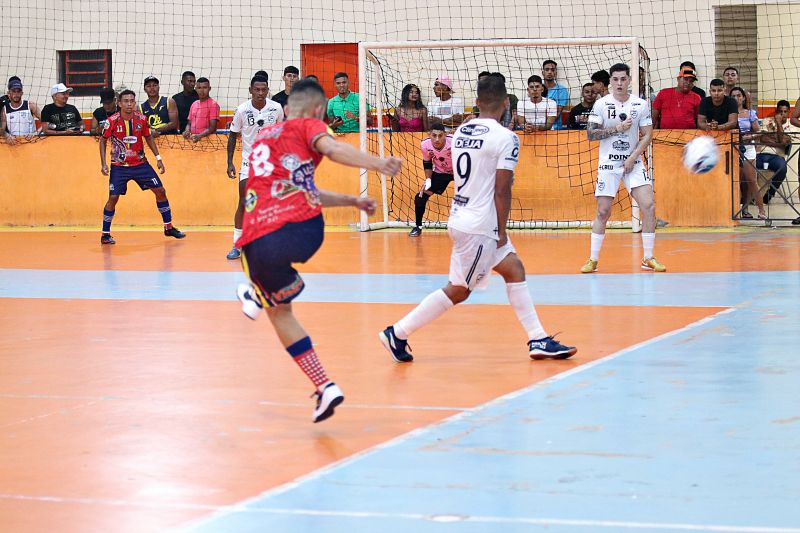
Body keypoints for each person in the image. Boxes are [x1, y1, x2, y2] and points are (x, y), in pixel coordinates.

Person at [234, 79, 401, 422]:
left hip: (261, 238)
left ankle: (254, 291)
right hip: (307, 231)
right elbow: (325, 161)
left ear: (285, 109)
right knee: (280, 310)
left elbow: (318, 164)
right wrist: (363, 184)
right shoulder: (309, 125)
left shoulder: (267, 137)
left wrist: (373, 167)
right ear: (318, 110)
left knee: (275, 306)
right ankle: (325, 387)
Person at [379, 75, 576, 364]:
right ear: (506, 102)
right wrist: (501, 230)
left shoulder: (460, 132)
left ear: (477, 102)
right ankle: (398, 332)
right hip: (481, 226)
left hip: (462, 215)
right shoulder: (506, 137)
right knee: (458, 291)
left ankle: (538, 339)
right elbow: (501, 189)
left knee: (513, 269)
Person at [582, 63, 664, 273]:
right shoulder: (601, 104)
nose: (619, 83)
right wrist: (616, 128)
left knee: (649, 206)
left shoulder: (640, 104)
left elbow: (647, 135)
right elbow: (591, 134)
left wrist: (633, 157)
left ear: (629, 80)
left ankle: (648, 257)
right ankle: (593, 259)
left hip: (633, 163)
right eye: (615, 79)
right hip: (608, 163)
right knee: (603, 211)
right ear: (610, 81)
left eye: (623, 79)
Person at [99, 90, 186, 244]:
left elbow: (148, 137)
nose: (129, 104)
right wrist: (104, 163)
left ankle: (168, 227)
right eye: (125, 101)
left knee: (160, 191)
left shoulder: (142, 119)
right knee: (113, 198)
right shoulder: (112, 121)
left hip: (140, 164)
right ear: (119, 103)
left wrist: (158, 158)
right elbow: (102, 140)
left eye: (132, 101)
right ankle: (105, 234)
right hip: (119, 166)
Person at [225, 74, 285, 260]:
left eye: (263, 90)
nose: (260, 93)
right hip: (248, 163)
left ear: (268, 90)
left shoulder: (276, 108)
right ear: (250, 90)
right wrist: (229, 162)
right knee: (244, 202)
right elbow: (233, 136)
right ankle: (237, 244)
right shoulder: (242, 110)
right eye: (256, 90)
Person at [409, 123, 453, 236]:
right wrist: (428, 179)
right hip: (440, 172)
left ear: (446, 135)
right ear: (429, 134)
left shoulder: (454, 141)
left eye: (440, 135)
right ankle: (418, 227)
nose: (437, 139)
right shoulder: (425, 144)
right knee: (420, 197)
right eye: (434, 135)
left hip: (459, 172)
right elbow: (427, 162)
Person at [731, 86, 765, 220]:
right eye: (733, 96)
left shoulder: (750, 113)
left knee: (751, 180)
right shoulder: (729, 113)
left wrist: (747, 137)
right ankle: (736, 209)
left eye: (738, 95)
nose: (736, 98)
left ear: (743, 97)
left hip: (748, 149)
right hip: (732, 149)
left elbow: (758, 132)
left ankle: (761, 209)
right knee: (734, 181)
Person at [758, 100, 796, 207]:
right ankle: (749, 197)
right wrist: (778, 141)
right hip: (761, 154)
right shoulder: (767, 121)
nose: (782, 114)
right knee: (746, 166)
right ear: (776, 111)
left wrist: (779, 123)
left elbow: (784, 143)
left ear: (788, 112)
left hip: (777, 157)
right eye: (780, 111)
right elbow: (762, 138)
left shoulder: (791, 126)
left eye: (785, 112)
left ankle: (769, 194)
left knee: (782, 168)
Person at [2, 77, 40, 143]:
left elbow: (45, 122)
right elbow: (2, 130)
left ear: (22, 93)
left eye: (18, 91)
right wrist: (7, 135)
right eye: (13, 91)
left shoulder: (31, 105)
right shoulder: (5, 109)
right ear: (8, 93)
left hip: (31, 143)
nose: (16, 94)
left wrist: (35, 133)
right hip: (15, 144)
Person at [183, 77, 219, 142]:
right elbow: (189, 124)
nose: (202, 91)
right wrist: (187, 131)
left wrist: (199, 136)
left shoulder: (213, 105)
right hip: (193, 140)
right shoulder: (194, 104)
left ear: (209, 89)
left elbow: (212, 128)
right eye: (199, 88)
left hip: (207, 141)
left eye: (205, 87)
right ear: (196, 89)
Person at [542, 59, 569, 129]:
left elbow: (556, 114)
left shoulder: (562, 90)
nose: (549, 72)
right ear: (543, 72)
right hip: (537, 128)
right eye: (547, 69)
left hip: (555, 129)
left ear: (555, 73)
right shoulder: (537, 88)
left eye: (552, 70)